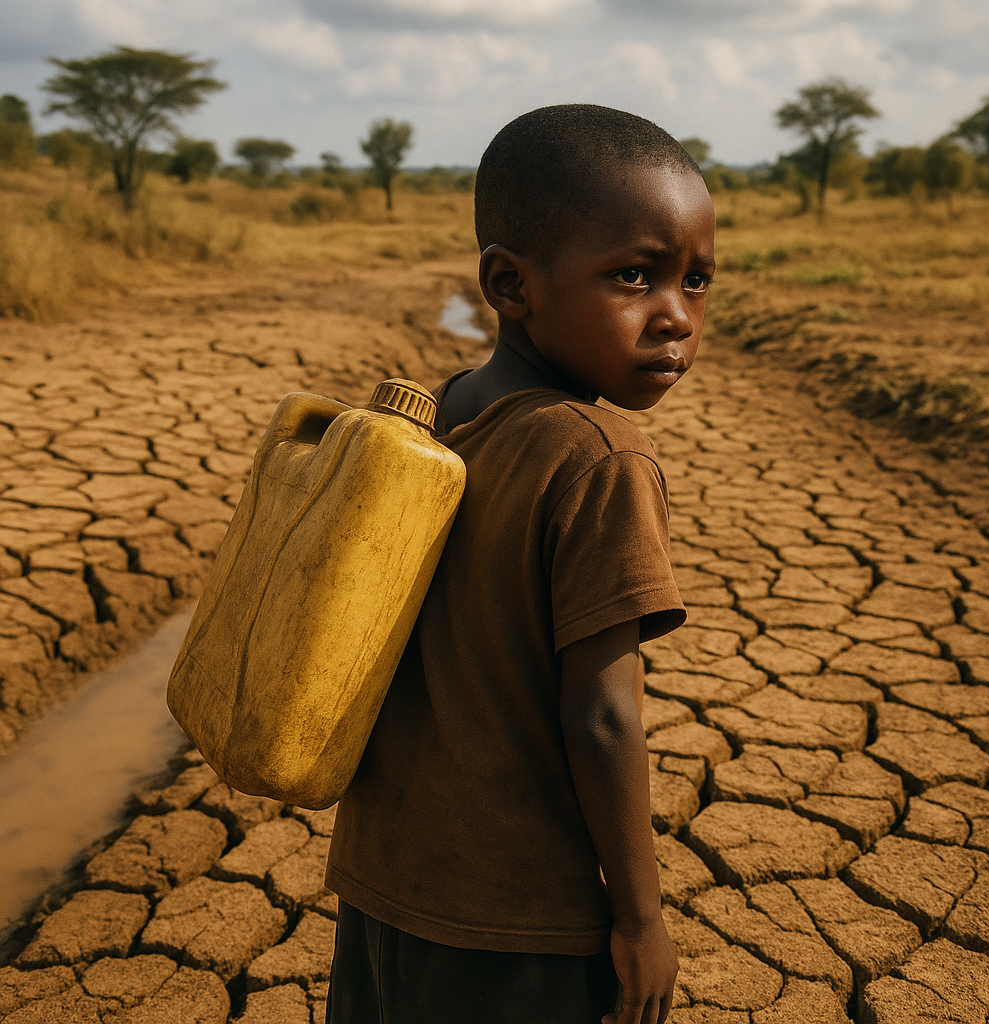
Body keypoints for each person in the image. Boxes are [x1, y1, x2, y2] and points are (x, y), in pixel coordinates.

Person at [325, 103, 716, 1024]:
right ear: (510, 283)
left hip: (385, 880)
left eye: (696, 282)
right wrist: (640, 919)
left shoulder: (440, 411)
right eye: (633, 276)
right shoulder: (597, 457)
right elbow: (604, 716)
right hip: (520, 922)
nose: (675, 318)